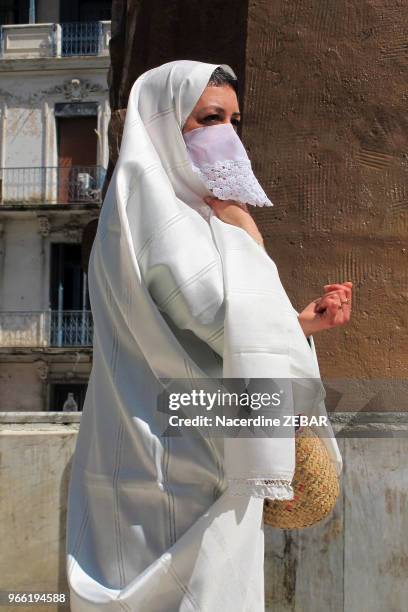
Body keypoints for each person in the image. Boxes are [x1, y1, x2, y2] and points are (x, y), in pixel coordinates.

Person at [65, 60, 351, 611]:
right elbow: (217, 311)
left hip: (145, 442)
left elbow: (200, 322)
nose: (226, 134)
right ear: (166, 123)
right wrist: (246, 229)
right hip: (186, 461)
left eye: (234, 120)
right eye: (209, 118)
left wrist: (296, 325)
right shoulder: (163, 212)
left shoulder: (142, 206)